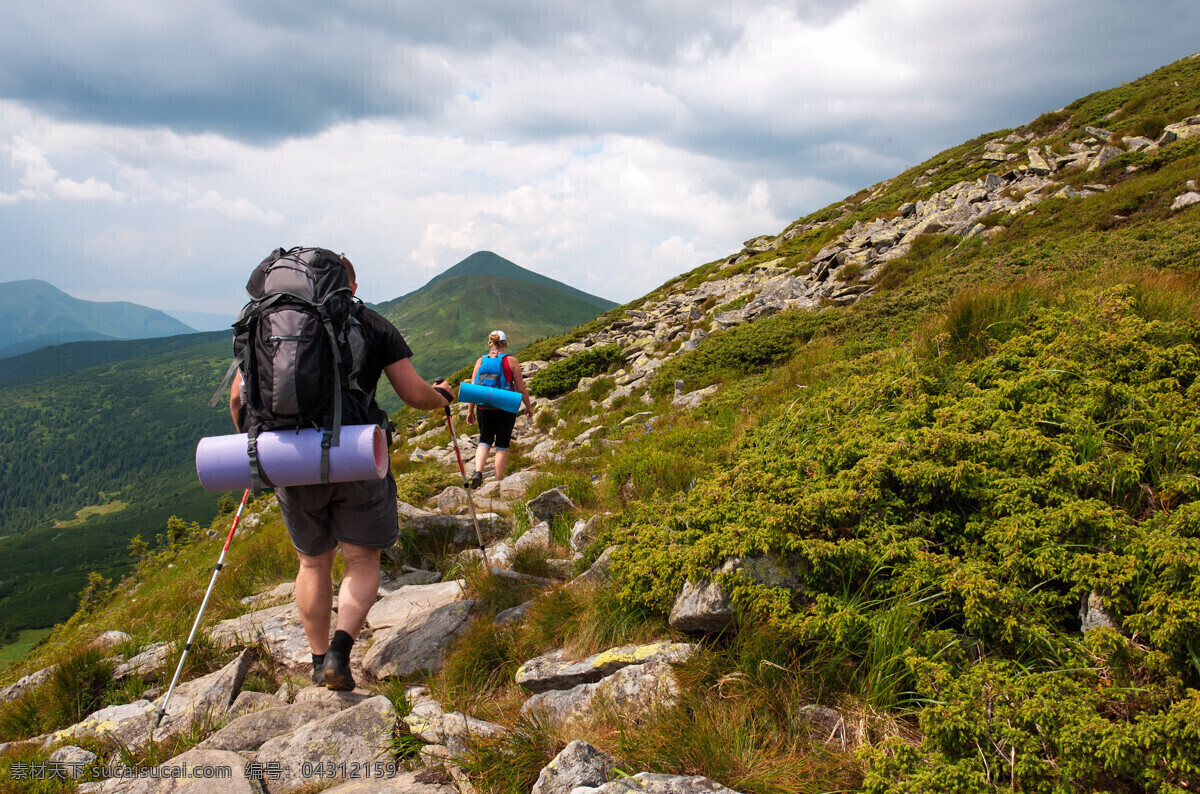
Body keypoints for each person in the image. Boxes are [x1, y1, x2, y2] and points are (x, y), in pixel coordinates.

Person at [228, 253, 453, 691]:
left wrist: (259, 446)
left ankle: (315, 662)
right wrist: (442, 397)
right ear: (348, 286)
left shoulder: (266, 323)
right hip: (355, 455)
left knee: (312, 564)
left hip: (291, 460)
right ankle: (340, 651)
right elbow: (413, 394)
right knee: (362, 558)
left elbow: (239, 398)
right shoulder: (370, 323)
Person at [465, 329, 533, 489]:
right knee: (502, 444)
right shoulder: (512, 361)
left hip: (483, 407)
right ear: (505, 343)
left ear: (490, 343)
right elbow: (521, 389)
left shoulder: (480, 360)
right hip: (505, 406)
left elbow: (474, 387)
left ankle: (477, 472)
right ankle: (496, 482)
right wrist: (528, 407)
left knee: (484, 440)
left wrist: (470, 411)